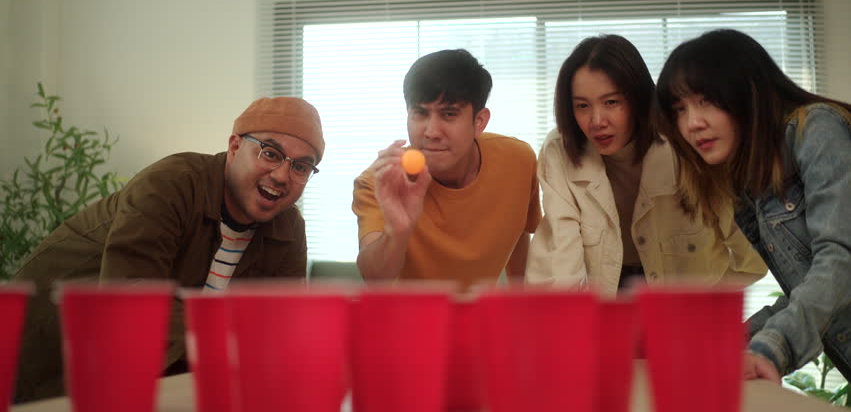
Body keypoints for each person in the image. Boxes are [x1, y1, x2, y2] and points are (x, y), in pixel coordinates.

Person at [13, 97, 324, 402]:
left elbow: (284, 328)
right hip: (46, 357)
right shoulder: (173, 183)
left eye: (301, 167)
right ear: (234, 147)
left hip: (147, 377)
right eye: (270, 154)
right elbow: (132, 300)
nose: (282, 176)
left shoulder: (288, 227)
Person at [654, 28, 851, 383]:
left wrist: (774, 347)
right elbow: (806, 289)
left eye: (706, 101)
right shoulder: (751, 185)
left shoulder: (816, 128)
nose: (692, 123)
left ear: (748, 93)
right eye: (680, 109)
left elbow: (841, 260)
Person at [525, 34, 766, 297]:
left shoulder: (687, 144)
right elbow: (563, 259)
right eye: (582, 106)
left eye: (611, 102)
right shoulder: (561, 149)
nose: (596, 120)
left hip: (680, 301)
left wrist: (702, 303)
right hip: (605, 293)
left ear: (638, 98)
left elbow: (754, 258)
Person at [352, 49, 541, 287]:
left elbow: (520, 232)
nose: (431, 132)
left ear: (479, 121)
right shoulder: (381, 182)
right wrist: (397, 232)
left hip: (479, 319)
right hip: (405, 320)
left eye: (449, 114)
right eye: (420, 114)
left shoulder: (518, 160)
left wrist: (521, 306)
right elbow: (375, 278)